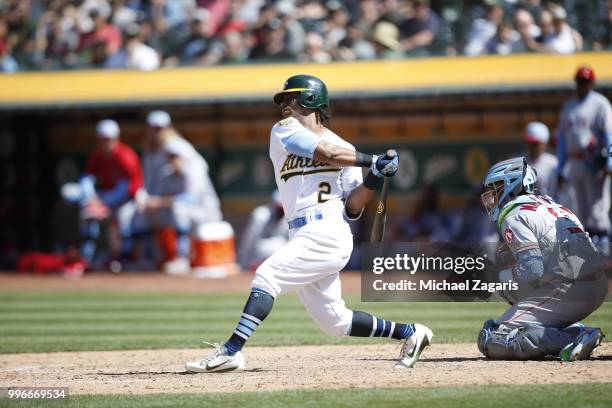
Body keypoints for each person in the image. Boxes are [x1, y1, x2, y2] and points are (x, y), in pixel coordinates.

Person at [185, 74, 433, 373]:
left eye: (291, 98)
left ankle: (231, 350)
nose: (285, 105)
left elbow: (353, 208)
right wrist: (374, 160)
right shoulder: (284, 130)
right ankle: (411, 333)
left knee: (266, 276)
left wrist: (375, 176)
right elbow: (325, 152)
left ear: (312, 100)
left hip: (328, 230)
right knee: (335, 322)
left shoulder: (345, 146)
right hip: (300, 231)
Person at [478, 157, 607, 361]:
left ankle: (573, 337)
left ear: (513, 184)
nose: (493, 195)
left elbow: (532, 268)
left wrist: (496, 275)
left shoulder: (513, 213)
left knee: (494, 338)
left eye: (498, 187)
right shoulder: (557, 206)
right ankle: (572, 331)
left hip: (570, 288)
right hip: (596, 284)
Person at [132, 111, 222, 274]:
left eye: (176, 156)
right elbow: (154, 192)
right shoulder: (164, 167)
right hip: (175, 209)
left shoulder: (190, 165)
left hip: (203, 210)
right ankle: (146, 260)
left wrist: (158, 202)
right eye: (170, 157)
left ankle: (182, 258)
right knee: (140, 212)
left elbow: (192, 198)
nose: (174, 159)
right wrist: (147, 201)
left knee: (179, 208)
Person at [62, 119, 143, 268]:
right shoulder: (98, 155)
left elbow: (128, 188)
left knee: (125, 217)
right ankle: (87, 257)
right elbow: (87, 179)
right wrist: (92, 199)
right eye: (102, 139)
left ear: (116, 138)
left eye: (108, 139)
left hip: (127, 199)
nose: (105, 143)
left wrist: (104, 204)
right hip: (104, 197)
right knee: (72, 197)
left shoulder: (125, 155)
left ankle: (125, 257)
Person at [556, 66, 612, 253]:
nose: (583, 84)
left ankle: (606, 257)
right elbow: (563, 142)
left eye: (586, 81)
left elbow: (609, 135)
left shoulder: (600, 103)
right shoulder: (569, 106)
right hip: (575, 163)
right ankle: (591, 258)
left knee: (598, 212)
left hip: (595, 161)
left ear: (592, 82)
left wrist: (610, 163)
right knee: (582, 213)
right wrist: (560, 169)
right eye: (580, 80)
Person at [237, 190, 288, 272]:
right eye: (279, 207)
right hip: (258, 254)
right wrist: (243, 261)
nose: (281, 210)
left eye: (283, 207)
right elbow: (249, 240)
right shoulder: (261, 214)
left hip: (282, 256)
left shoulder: (290, 216)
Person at [523, 121, 557, 197]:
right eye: (530, 143)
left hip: (550, 206)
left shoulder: (554, 164)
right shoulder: (519, 163)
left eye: (536, 144)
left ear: (545, 144)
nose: (532, 147)